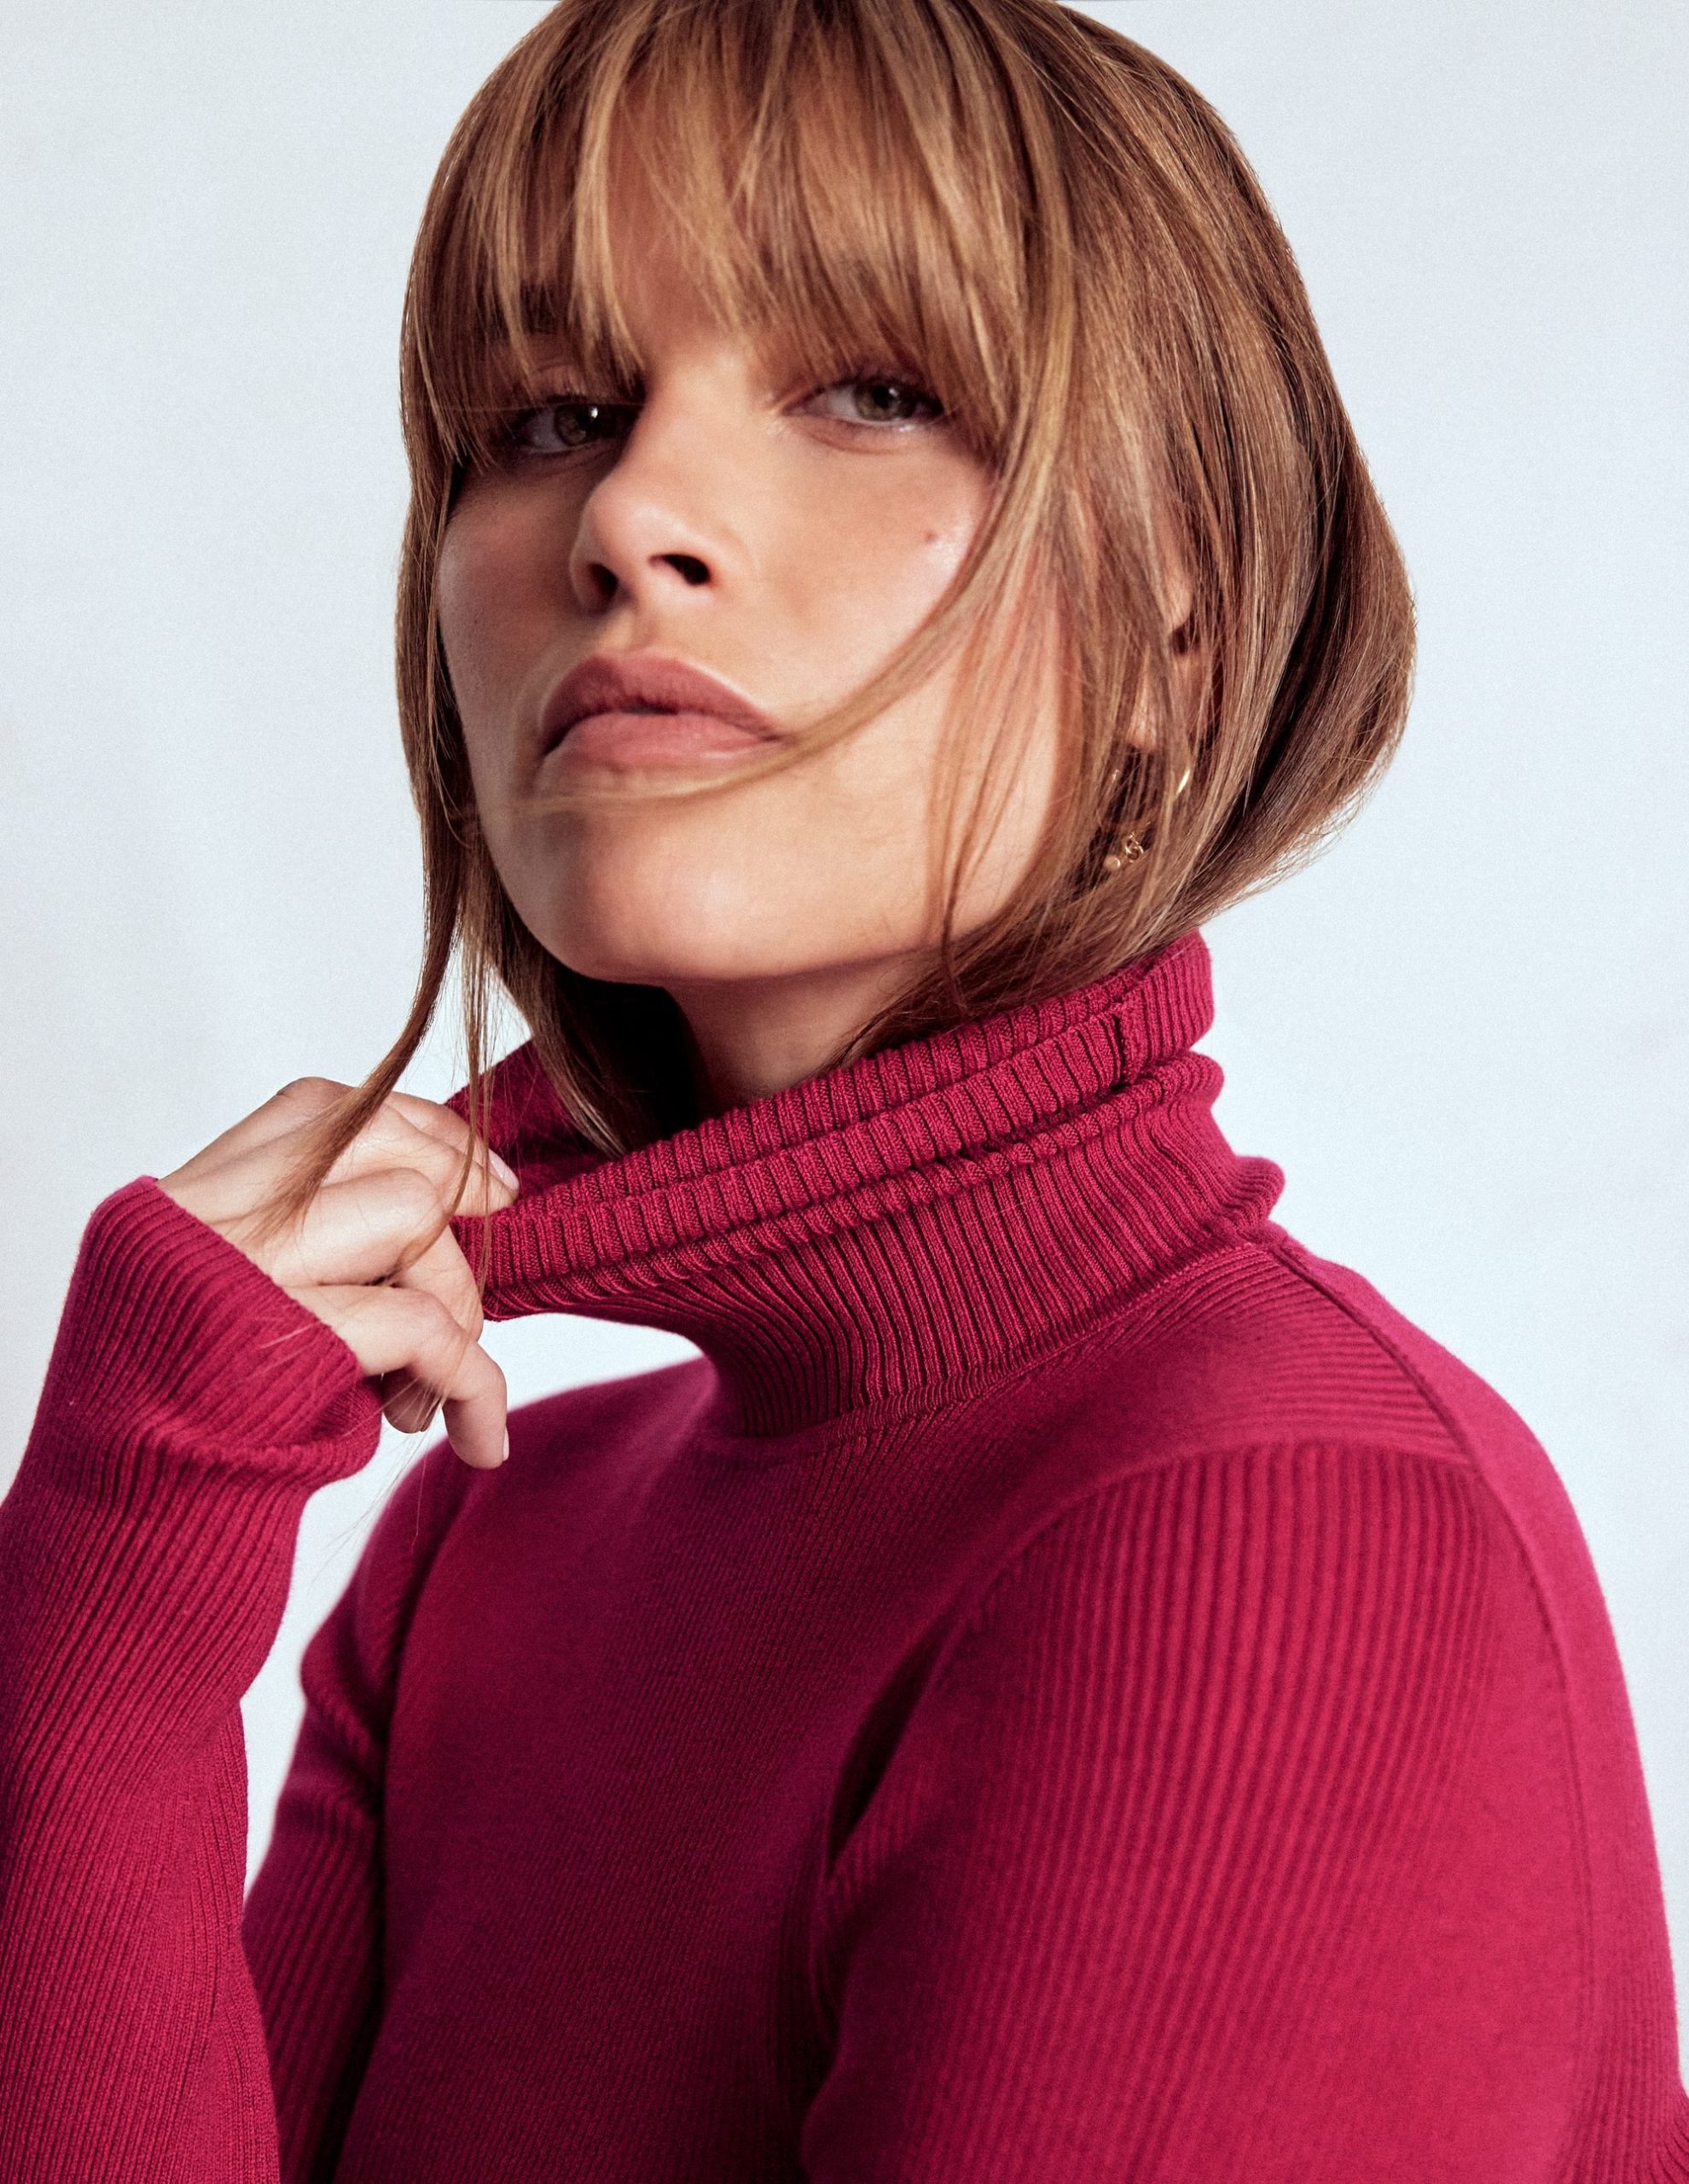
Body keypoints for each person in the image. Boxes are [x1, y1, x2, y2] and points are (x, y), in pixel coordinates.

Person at [2, 0, 1685, 2176]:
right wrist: (108, 1589)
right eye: (550, 415)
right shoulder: (481, 1551)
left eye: (874, 392)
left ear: (1177, 631)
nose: (632, 515)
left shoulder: (1288, 1526)